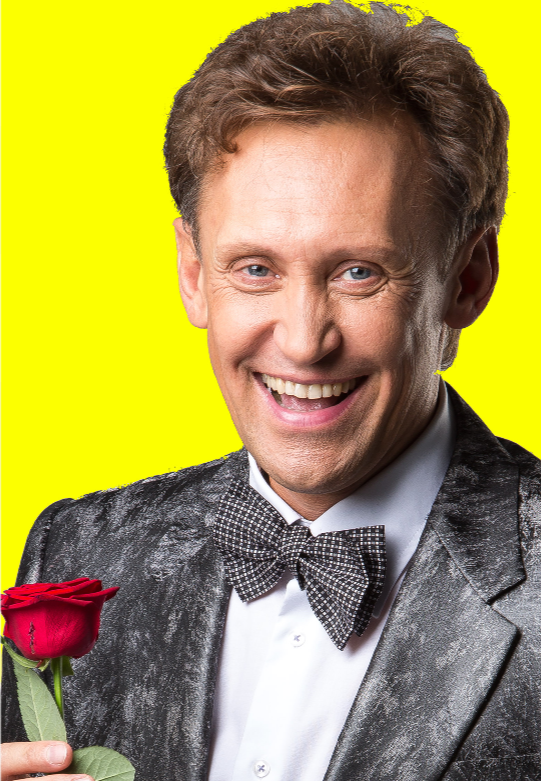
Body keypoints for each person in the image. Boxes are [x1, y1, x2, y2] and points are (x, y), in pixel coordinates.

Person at [2, 2, 539, 780]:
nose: (301, 340)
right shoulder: (78, 547)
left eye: (358, 272)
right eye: (255, 268)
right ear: (194, 274)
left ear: (466, 279)